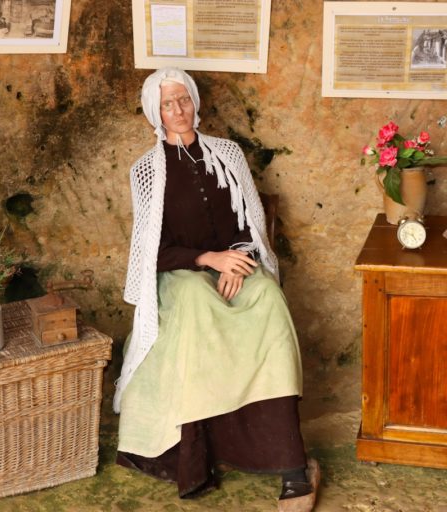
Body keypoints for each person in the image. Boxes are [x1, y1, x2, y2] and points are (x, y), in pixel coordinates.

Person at [115, 67, 319, 511]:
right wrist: (207, 259)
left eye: (183, 99)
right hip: (182, 274)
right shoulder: (146, 170)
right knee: (195, 301)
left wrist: (239, 259)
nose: (178, 110)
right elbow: (153, 249)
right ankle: (200, 455)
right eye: (168, 104)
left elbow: (251, 224)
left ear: (195, 103)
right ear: (156, 112)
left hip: (236, 264)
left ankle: (292, 468)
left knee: (268, 298)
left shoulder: (226, 153)